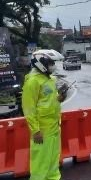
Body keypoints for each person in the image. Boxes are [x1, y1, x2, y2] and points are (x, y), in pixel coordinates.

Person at [22, 52, 65, 180]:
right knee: (40, 165)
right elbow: (29, 109)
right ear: (41, 64)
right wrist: (35, 131)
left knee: (53, 163)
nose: (53, 66)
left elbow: (50, 100)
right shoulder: (32, 82)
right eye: (50, 63)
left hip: (54, 128)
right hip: (42, 131)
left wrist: (60, 97)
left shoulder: (50, 79)